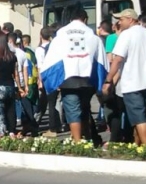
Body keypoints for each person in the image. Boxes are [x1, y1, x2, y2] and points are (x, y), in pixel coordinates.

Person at [39, 8, 107, 144]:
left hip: (68, 80)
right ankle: (87, 138)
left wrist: (50, 81)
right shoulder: (93, 37)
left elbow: (50, 61)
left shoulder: (60, 36)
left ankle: (77, 141)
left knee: (72, 111)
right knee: (85, 109)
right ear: (85, 19)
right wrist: (102, 81)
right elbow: (101, 61)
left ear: (70, 19)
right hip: (87, 80)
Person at [105, 9, 146, 145]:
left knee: (139, 119)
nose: (119, 22)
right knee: (143, 117)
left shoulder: (126, 35)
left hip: (133, 83)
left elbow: (117, 59)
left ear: (130, 19)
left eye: (121, 19)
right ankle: (138, 145)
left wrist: (108, 80)